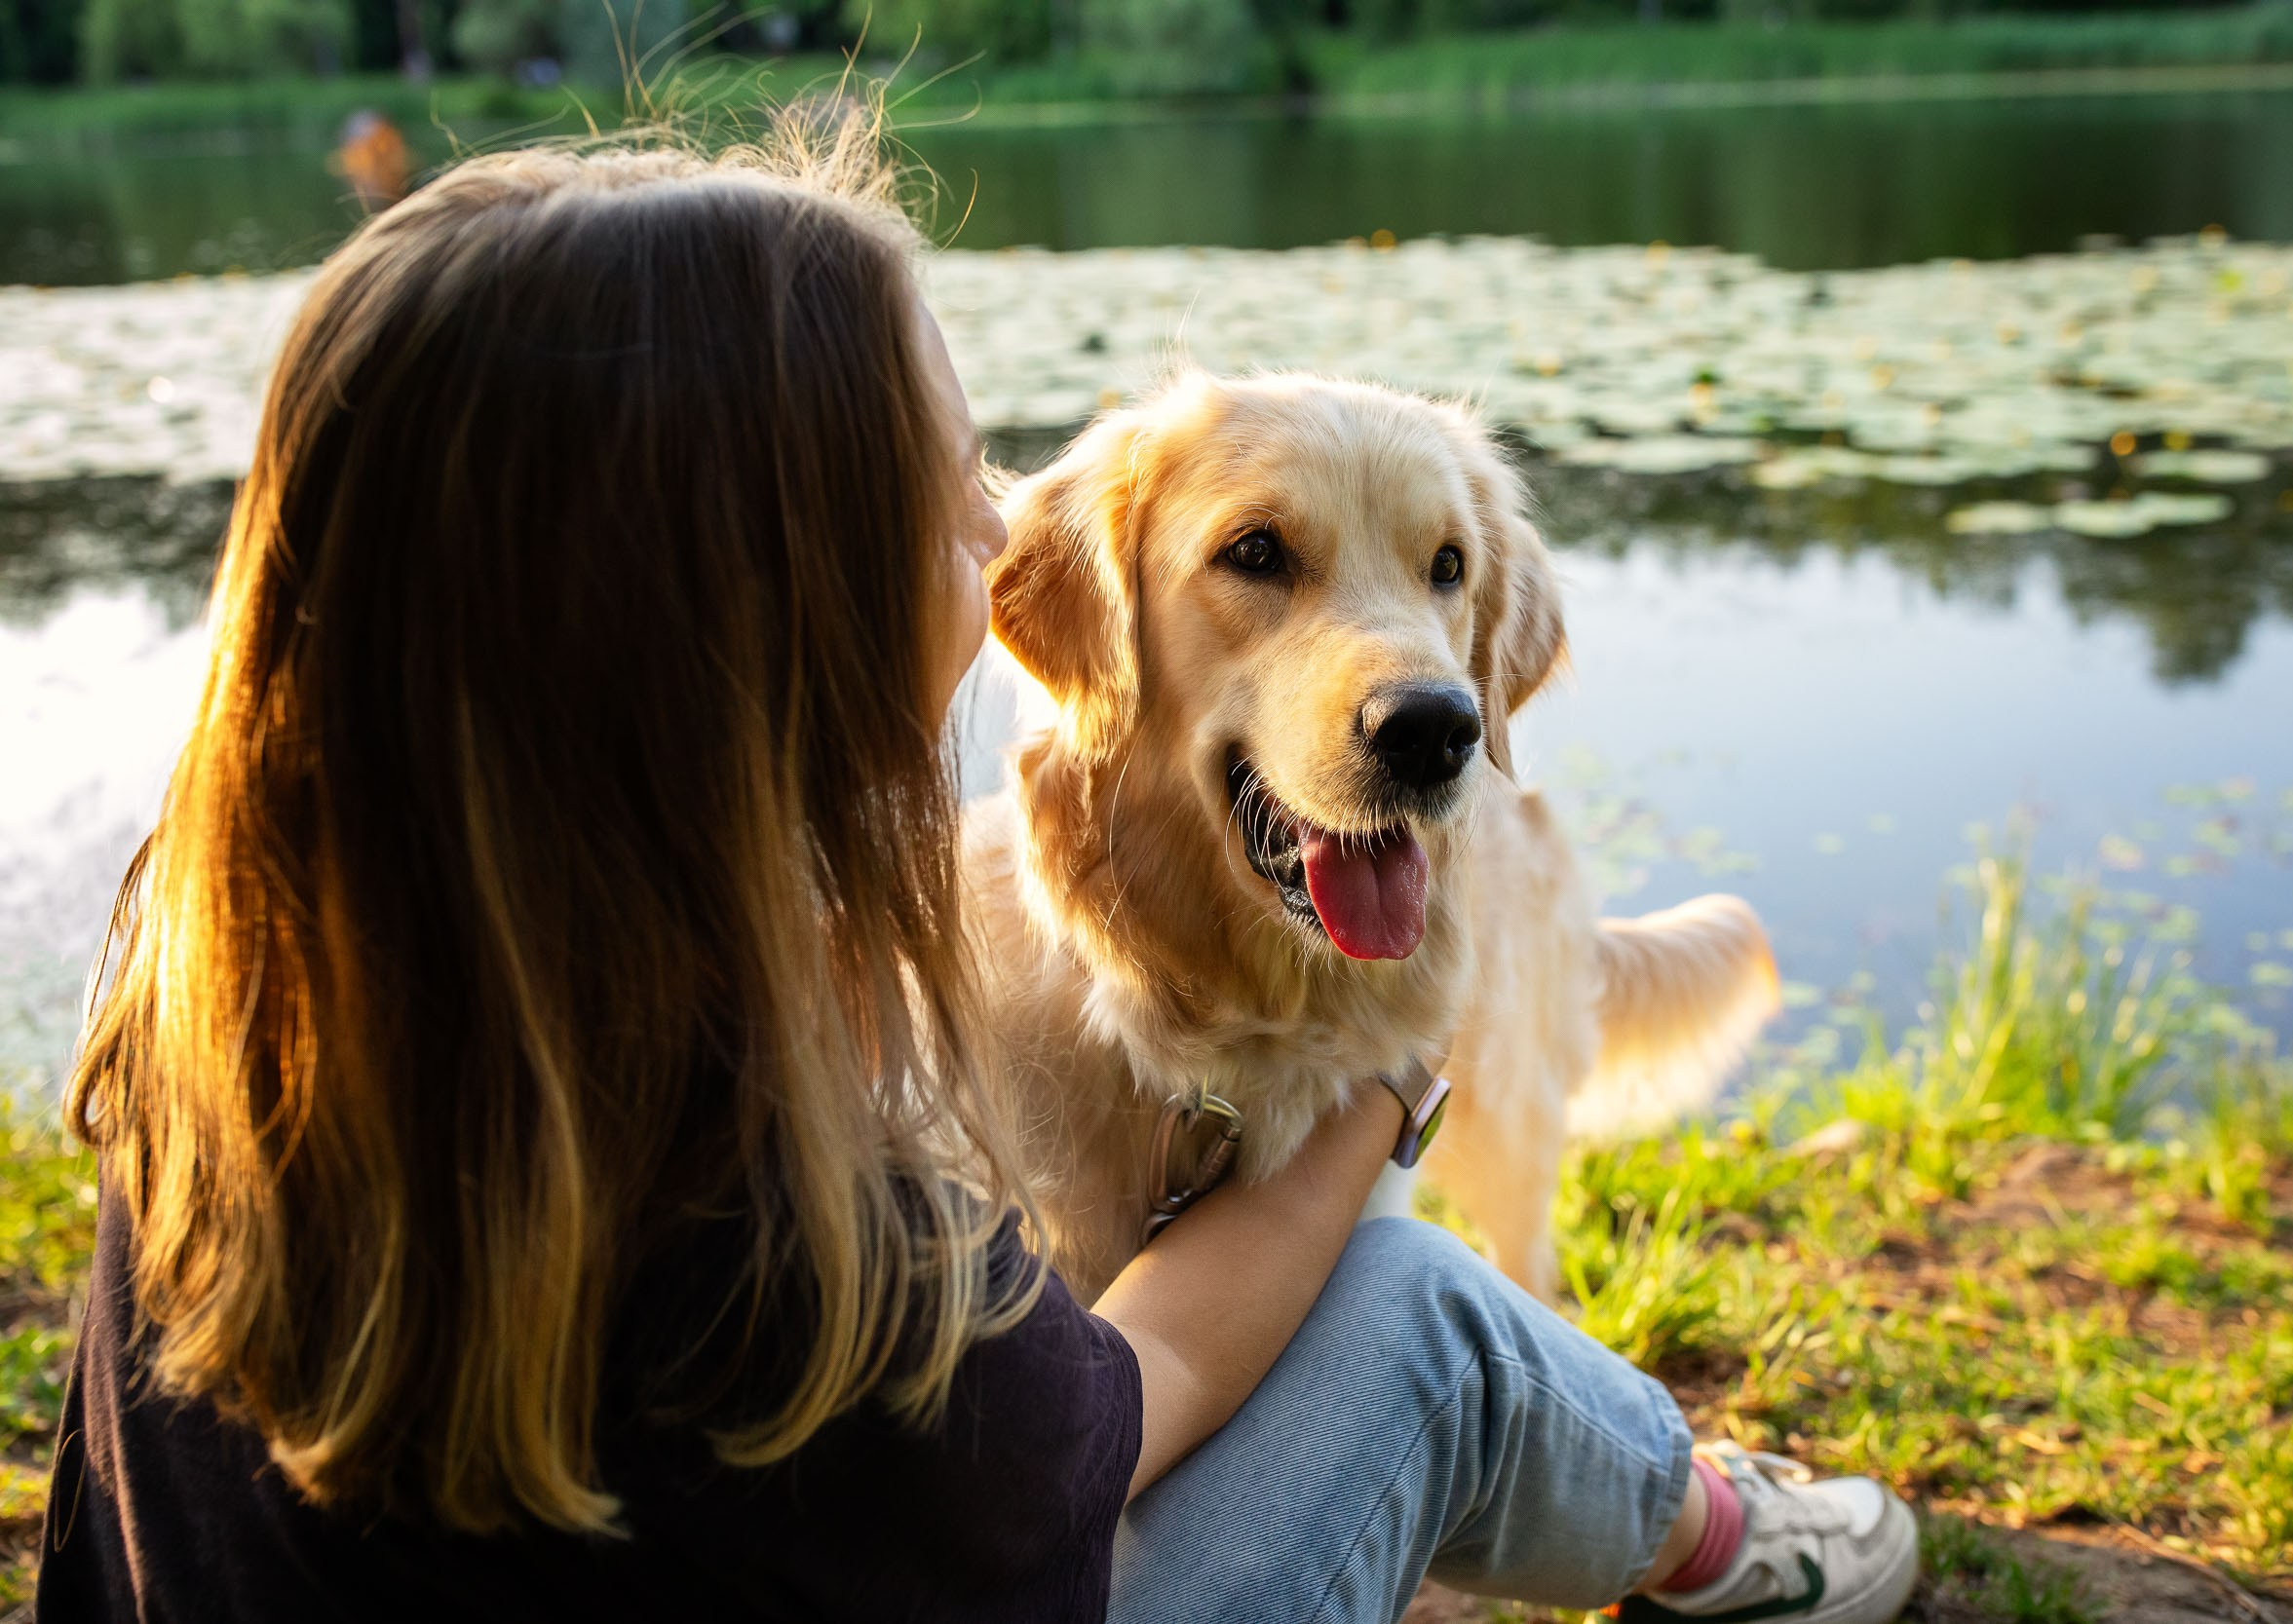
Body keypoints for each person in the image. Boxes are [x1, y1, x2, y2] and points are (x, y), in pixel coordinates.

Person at [37, 121, 1919, 1624]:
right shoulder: (770, 1218)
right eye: (947, 499)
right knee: (1411, 1317)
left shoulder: (237, 975)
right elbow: (1114, 1424)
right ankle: (1715, 1532)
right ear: (741, 610)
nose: (1012, 542)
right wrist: (1377, 1096)